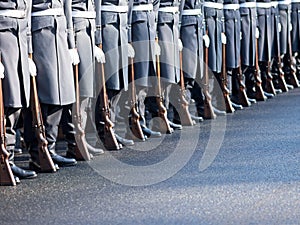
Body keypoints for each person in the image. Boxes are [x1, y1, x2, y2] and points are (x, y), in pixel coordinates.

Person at [24, 0, 78, 170]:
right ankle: (37, 152)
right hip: (40, 32)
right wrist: (28, 50)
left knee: (62, 93)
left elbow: (67, 7)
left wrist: (71, 44)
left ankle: (50, 148)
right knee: (45, 94)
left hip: (59, 31)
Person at [60, 0, 105, 160]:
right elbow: (67, 7)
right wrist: (71, 44)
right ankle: (75, 142)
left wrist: (96, 38)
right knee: (78, 93)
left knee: (86, 92)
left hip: (88, 28)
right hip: (76, 30)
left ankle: (82, 138)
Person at [0, 0, 37, 181]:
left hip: (20, 36)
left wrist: (29, 52)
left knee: (18, 101)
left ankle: (9, 160)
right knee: (8, 100)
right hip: (3, 36)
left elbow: (27, 10)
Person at [95, 0, 136, 147]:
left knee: (120, 80)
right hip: (108, 25)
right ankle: (103, 131)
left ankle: (111, 129)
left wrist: (129, 37)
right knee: (110, 82)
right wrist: (97, 38)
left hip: (122, 25)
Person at [130, 0, 162, 138]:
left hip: (148, 23)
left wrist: (154, 35)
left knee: (146, 77)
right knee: (139, 77)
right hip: (137, 24)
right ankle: (134, 122)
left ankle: (141, 121)